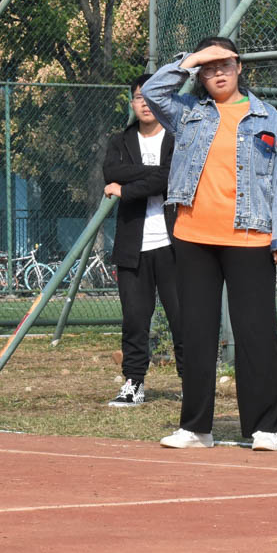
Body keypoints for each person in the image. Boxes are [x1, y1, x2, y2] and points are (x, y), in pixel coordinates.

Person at [142, 37, 277, 452]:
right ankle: (197, 428)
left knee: (256, 334)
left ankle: (264, 428)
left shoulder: (266, 116)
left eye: (224, 64)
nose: (217, 73)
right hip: (193, 239)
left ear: (239, 66)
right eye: (209, 68)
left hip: (251, 237)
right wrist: (190, 60)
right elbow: (153, 91)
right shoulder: (187, 112)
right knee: (196, 334)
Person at [102, 74, 184, 406]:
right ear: (132, 103)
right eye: (139, 97)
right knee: (135, 320)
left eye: (152, 96)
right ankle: (134, 383)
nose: (145, 103)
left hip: (174, 244)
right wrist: (157, 174)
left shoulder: (177, 138)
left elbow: (173, 175)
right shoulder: (119, 141)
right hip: (133, 246)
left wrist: (127, 189)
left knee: (183, 319)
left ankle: (192, 383)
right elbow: (112, 173)